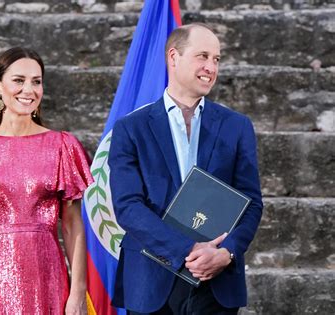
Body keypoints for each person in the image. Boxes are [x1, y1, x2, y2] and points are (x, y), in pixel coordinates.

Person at [108, 23, 263, 314]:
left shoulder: (237, 127)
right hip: (150, 280)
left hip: (217, 282)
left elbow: (251, 202)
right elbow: (128, 206)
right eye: (202, 56)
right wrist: (188, 250)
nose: (211, 67)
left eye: (216, 59)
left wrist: (226, 252)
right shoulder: (131, 128)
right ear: (173, 57)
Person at [0, 47, 93, 314]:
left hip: (50, 278)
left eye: (36, 81)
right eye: (19, 80)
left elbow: (72, 226)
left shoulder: (62, 145)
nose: (29, 90)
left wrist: (78, 293)